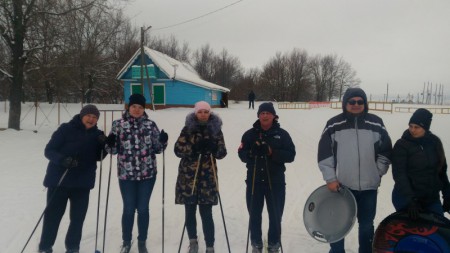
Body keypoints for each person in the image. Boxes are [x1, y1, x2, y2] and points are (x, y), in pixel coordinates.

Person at [317, 87, 392, 253]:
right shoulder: (334, 124)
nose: (356, 104)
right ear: (345, 103)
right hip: (342, 186)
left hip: (369, 188)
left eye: (360, 101)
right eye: (352, 101)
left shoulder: (376, 123)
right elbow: (324, 154)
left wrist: (377, 171)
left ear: (365, 104)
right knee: (338, 223)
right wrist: (330, 179)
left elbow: (386, 151)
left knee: (366, 225)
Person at [39, 105, 107, 253]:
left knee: (77, 219)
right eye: (89, 115)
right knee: (53, 217)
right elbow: (49, 150)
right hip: (60, 181)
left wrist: (103, 145)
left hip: (82, 184)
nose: (91, 119)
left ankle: (72, 247)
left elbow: (99, 157)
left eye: (95, 117)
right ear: (82, 115)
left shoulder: (98, 134)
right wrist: (63, 160)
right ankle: (45, 247)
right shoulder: (66, 129)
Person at [105, 94, 168, 253]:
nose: (137, 110)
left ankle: (142, 240)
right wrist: (110, 143)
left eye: (140, 107)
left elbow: (158, 149)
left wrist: (163, 141)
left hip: (148, 174)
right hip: (127, 174)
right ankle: (126, 241)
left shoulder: (150, 125)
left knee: (143, 209)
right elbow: (112, 150)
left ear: (143, 109)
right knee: (128, 208)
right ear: (129, 107)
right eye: (134, 106)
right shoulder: (118, 124)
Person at [238, 102, 296, 253]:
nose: (265, 116)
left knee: (276, 215)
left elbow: (291, 155)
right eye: (262, 113)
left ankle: (274, 244)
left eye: (268, 113)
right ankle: (256, 243)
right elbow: (241, 154)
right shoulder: (249, 134)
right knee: (254, 215)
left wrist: (272, 152)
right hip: (254, 182)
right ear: (258, 115)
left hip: (275, 182)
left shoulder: (282, 134)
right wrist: (251, 153)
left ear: (273, 116)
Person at [174, 101, 227, 253]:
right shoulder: (188, 129)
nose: (203, 114)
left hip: (207, 178)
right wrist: (193, 148)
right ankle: (193, 242)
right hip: (188, 178)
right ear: (195, 113)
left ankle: (210, 245)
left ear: (210, 113)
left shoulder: (216, 130)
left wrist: (213, 147)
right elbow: (177, 150)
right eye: (200, 112)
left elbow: (222, 153)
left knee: (206, 213)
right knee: (190, 211)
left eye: (206, 111)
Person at [391, 108, 450, 219]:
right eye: (410, 126)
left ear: (426, 128)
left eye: (417, 127)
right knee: (414, 231)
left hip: (430, 199)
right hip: (406, 198)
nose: (412, 130)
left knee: (436, 229)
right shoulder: (402, 145)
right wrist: (411, 200)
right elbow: (399, 175)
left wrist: (447, 196)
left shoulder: (435, 143)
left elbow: (441, 172)